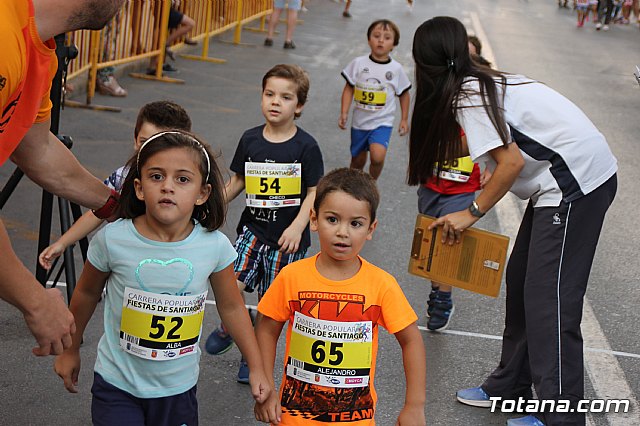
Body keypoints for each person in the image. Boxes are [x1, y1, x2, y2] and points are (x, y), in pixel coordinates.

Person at [409, 17, 617, 426]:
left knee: (550, 299)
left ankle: (562, 415)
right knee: (523, 279)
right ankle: (511, 386)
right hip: (561, 183)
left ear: (425, 64)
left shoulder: (469, 95)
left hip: (577, 184)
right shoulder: (481, 82)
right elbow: (511, 150)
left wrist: (470, 213)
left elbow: (512, 162)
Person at [53, 131, 272, 424]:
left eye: (182, 179)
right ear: (139, 188)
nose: (168, 186)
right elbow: (86, 293)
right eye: (156, 177)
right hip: (117, 384)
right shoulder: (113, 239)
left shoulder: (214, 245)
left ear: (202, 193)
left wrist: (257, 365)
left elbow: (231, 306)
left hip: (177, 391)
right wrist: (70, 349)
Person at [0, 0, 126, 357]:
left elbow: (37, 148)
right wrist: (35, 301)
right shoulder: (3, 35)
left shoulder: (40, 52)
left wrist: (113, 203)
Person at [254, 167, 426, 425]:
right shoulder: (292, 277)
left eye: (355, 223)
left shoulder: (381, 285)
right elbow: (267, 329)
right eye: (332, 219)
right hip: (294, 419)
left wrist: (415, 405)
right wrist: (265, 387)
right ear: (313, 219)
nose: (342, 232)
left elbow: (411, 340)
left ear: (371, 228)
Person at [204, 64, 324, 384]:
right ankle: (232, 324)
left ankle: (251, 356)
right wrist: (209, 206)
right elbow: (237, 181)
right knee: (232, 285)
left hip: (286, 240)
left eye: (285, 97)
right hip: (252, 231)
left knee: (269, 306)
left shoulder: (306, 147)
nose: (275, 101)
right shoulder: (250, 140)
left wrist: (298, 226)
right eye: (269, 94)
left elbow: (314, 192)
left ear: (298, 106)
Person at [39, 101, 192, 270]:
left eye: (160, 146)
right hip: (126, 261)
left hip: (172, 263)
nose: (150, 152)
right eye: (144, 142)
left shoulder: (190, 184)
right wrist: (63, 243)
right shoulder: (122, 177)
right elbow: (97, 212)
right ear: (135, 140)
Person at [339, 19, 411, 180]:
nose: (381, 40)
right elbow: (349, 87)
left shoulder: (396, 69)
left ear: (394, 44)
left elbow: (404, 94)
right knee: (357, 160)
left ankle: (371, 182)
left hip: (382, 122)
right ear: (368, 39)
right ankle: (353, 185)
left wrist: (404, 119)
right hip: (360, 122)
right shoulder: (358, 63)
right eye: (376, 36)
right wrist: (344, 112)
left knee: (377, 157)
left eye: (387, 38)